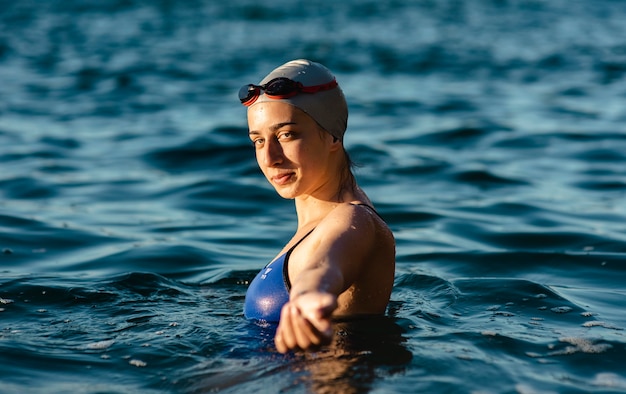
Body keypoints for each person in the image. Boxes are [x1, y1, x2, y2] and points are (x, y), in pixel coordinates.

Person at [239, 59, 395, 354]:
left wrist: (311, 294)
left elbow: (326, 266)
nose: (269, 157)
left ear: (333, 135)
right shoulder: (323, 219)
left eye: (287, 135)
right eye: (258, 141)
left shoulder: (353, 219)